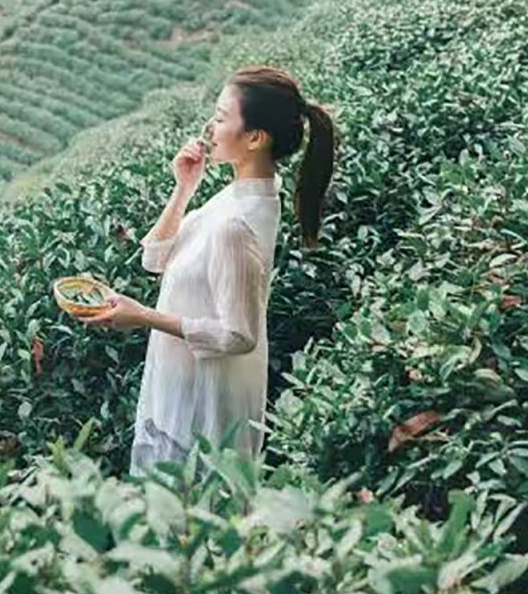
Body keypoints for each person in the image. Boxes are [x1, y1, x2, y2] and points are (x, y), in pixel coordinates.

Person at [77, 65, 338, 474]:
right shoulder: (240, 194)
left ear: (255, 138)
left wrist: (141, 316)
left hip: (201, 409)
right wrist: (185, 187)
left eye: (220, 117)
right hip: (182, 389)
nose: (209, 129)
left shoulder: (236, 223)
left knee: (186, 525)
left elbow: (238, 335)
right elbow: (155, 259)